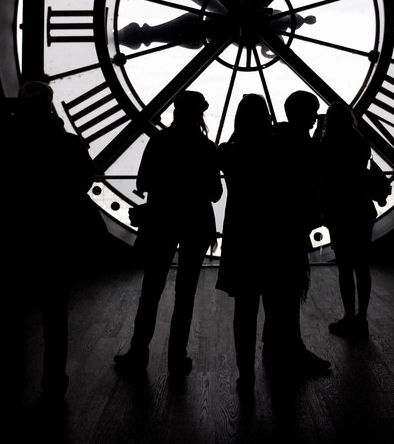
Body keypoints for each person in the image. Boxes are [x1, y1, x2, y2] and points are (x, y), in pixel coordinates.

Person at [0, 81, 96, 402]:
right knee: (55, 314)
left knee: (13, 313)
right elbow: (83, 182)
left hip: (16, 239)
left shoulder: (6, 144)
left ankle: (13, 376)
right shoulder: (69, 145)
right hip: (56, 240)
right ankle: (53, 378)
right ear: (50, 106)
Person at [114, 91, 222, 377]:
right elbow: (215, 193)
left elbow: (143, 182)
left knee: (151, 290)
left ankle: (139, 352)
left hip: (161, 222)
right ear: (199, 114)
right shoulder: (206, 148)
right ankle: (177, 356)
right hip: (196, 224)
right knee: (185, 294)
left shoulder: (159, 142)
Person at [263, 90, 330, 376]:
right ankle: (291, 347)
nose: (315, 118)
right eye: (313, 113)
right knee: (289, 292)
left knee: (276, 291)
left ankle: (275, 346)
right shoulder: (304, 145)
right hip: (292, 230)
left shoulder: (276, 140)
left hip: (275, 229)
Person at [217, 94, 276, 397]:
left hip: (239, 232)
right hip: (272, 232)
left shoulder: (228, 152)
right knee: (276, 302)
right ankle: (275, 354)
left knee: (244, 308)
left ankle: (246, 371)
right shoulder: (276, 151)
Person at [318, 101, 374, 340]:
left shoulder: (328, 143)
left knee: (345, 267)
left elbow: (321, 170)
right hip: (361, 209)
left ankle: (349, 315)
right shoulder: (360, 141)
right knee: (362, 265)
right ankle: (362, 317)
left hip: (339, 211)